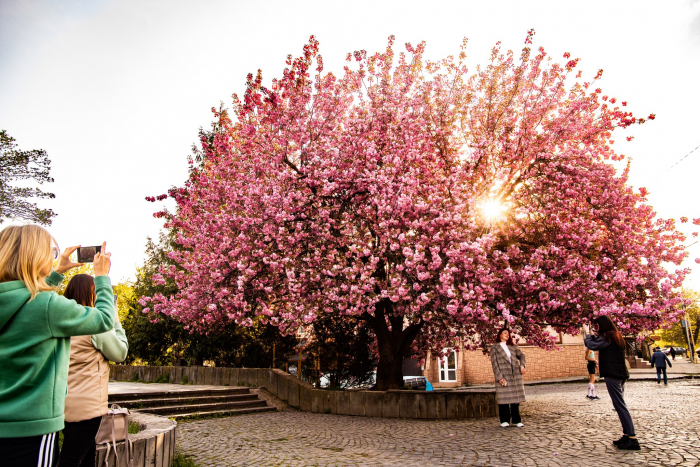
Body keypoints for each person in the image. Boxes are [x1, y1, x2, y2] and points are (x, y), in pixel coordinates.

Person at [0, 226, 114, 467]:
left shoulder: (27, 302)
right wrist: (102, 277)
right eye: (50, 253)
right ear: (36, 257)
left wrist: (56, 274)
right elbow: (104, 319)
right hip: (32, 426)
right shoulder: (48, 305)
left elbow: (25, 297)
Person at [58, 275, 129, 467]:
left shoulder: (60, 320)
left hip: (60, 404)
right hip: (86, 408)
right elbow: (120, 352)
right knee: (70, 460)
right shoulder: (93, 323)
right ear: (93, 295)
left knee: (85, 456)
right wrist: (116, 321)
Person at [584, 316, 640, 450]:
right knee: (619, 404)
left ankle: (632, 438)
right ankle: (627, 435)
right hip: (619, 372)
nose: (597, 328)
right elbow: (597, 341)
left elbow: (591, 345)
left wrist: (586, 333)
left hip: (613, 374)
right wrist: (591, 333)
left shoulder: (608, 337)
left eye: (598, 326)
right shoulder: (614, 335)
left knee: (620, 405)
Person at [489, 328, 526, 428]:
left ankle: (516, 420)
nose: (507, 335)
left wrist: (522, 365)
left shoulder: (512, 347)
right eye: (505, 333)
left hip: (515, 375)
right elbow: (494, 364)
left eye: (508, 333)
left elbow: (522, 356)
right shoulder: (495, 348)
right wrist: (499, 377)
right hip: (503, 375)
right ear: (500, 335)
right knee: (503, 400)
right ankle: (504, 420)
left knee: (515, 399)